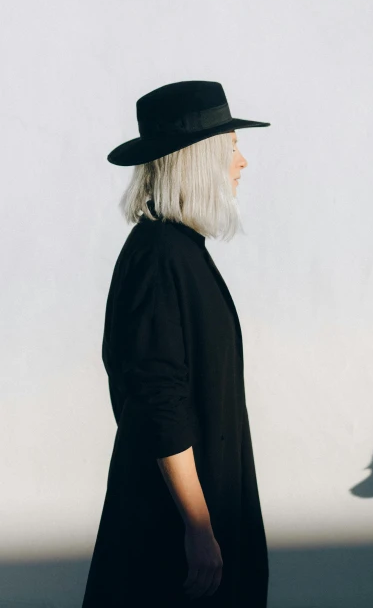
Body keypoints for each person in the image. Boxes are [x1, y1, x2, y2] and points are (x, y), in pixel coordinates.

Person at [81, 80, 271, 607]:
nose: (242, 163)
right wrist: (197, 527)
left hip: (196, 510)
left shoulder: (179, 250)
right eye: (231, 148)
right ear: (199, 159)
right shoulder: (161, 256)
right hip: (171, 527)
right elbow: (157, 398)